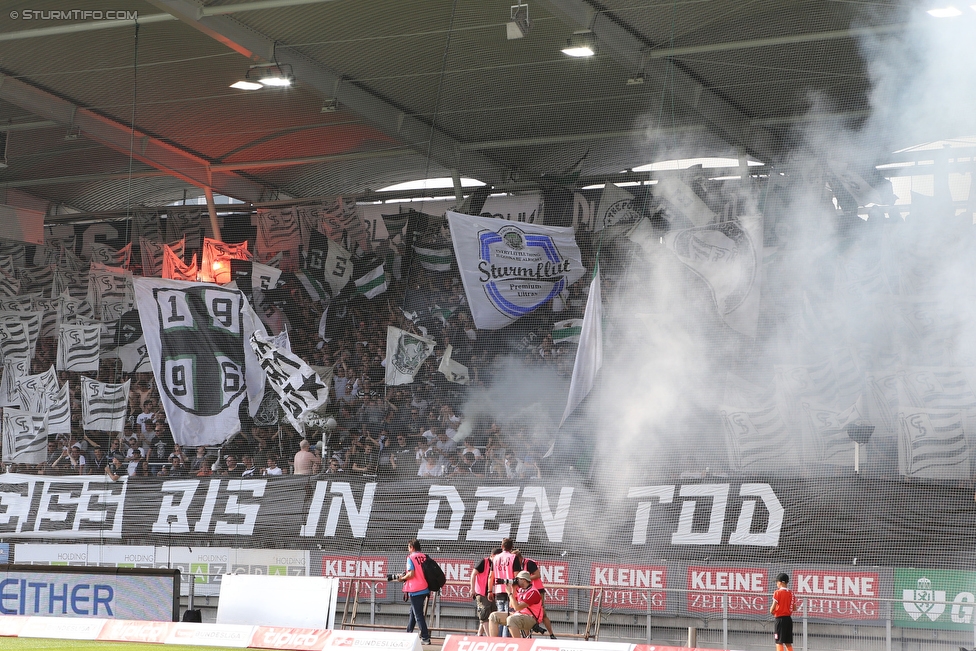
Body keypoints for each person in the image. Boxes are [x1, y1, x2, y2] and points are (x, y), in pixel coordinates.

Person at [394, 539, 431, 645]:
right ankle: (408, 633)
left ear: (412, 547)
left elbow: (411, 574)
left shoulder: (411, 557)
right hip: (424, 588)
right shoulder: (424, 556)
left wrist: (402, 578)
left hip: (415, 589)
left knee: (418, 614)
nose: (408, 549)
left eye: (408, 547)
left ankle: (425, 637)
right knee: (413, 612)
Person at [487, 571, 545, 638]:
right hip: (518, 615)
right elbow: (512, 605)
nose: (516, 581)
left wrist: (509, 594)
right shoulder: (521, 590)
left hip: (531, 618)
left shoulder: (533, 592)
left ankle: (518, 643)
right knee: (493, 616)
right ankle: (494, 642)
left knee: (511, 619)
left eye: (518, 579)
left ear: (523, 580)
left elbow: (517, 608)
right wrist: (513, 589)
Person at [516, 551, 556, 638]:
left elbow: (538, 575)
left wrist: (525, 578)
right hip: (526, 591)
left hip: (537, 590)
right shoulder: (518, 566)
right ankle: (526, 637)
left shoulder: (529, 563)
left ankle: (551, 634)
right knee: (524, 613)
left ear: (519, 558)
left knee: (543, 613)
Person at [491, 538, 520, 636]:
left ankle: (498, 641)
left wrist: (489, 591)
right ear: (512, 547)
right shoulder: (513, 557)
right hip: (510, 592)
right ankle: (505, 640)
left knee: (499, 617)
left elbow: (491, 576)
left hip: (498, 591)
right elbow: (517, 576)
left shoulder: (495, 558)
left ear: (502, 546)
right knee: (509, 618)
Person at [469, 548, 498, 636]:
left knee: (491, 613)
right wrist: (472, 589)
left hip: (491, 593)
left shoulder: (496, 565)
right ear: (492, 556)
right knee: (484, 614)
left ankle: (479, 634)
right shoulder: (484, 562)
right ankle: (489, 637)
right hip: (481, 593)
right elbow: (473, 574)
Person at [770, 572, 796, 651]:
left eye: (777, 582)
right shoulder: (791, 593)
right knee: (788, 642)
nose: (776, 584)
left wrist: (773, 612)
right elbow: (794, 608)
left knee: (778, 641)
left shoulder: (777, 593)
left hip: (779, 620)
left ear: (780, 582)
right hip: (788, 619)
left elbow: (772, 609)